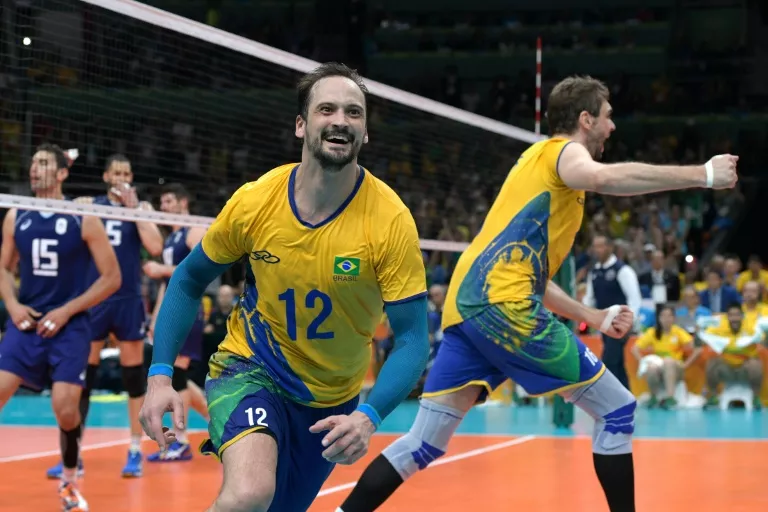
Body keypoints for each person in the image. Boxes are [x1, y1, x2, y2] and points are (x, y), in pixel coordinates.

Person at [336, 75, 738, 512]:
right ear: (585, 120)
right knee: (618, 411)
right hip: (503, 307)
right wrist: (703, 174)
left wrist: (594, 316)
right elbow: (602, 177)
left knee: (423, 442)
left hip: (470, 306)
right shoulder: (564, 154)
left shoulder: (539, 171)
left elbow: (532, 278)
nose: (613, 127)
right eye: (608, 117)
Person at [138, 62, 431, 512]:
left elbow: (412, 338)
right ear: (301, 125)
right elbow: (188, 278)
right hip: (252, 366)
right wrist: (159, 377)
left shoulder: (390, 221)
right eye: (326, 109)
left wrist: (369, 418)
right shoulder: (257, 201)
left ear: (366, 132)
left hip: (330, 401)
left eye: (354, 113)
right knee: (250, 493)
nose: (340, 120)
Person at [0, 143, 121, 510]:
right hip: (26, 322)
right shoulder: (16, 214)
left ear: (62, 173)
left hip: (70, 327)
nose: (34, 169)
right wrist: (13, 304)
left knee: (65, 408)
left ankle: (69, 482)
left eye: (43, 163)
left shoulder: (83, 218)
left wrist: (67, 311)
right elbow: (4, 269)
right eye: (32, 162)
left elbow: (112, 278)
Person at [45, 154, 164, 480]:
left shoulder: (139, 208)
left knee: (132, 379)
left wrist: (134, 207)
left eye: (127, 172)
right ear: (106, 176)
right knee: (84, 380)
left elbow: (155, 246)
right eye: (116, 172)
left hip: (127, 303)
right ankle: (74, 455)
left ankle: (135, 450)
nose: (121, 177)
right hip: (94, 301)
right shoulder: (90, 205)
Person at [141, 183, 209, 462]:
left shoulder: (194, 230)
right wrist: (156, 318)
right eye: (163, 202)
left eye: (169, 201)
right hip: (172, 310)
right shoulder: (171, 238)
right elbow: (166, 285)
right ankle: (217, 423)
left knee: (177, 373)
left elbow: (202, 267)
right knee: (179, 373)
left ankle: (182, 441)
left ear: (183, 203)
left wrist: (161, 269)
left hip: (189, 310)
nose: (165, 206)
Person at [583, 235, 642, 390]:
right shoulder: (594, 272)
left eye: (601, 246)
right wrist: (585, 317)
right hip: (603, 325)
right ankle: (626, 396)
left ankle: (610, 399)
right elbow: (589, 298)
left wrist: (629, 322)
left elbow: (634, 299)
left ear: (610, 248)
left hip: (619, 324)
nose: (597, 250)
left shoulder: (622, 270)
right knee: (617, 362)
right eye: (595, 247)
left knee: (609, 361)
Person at [632, 304, 700, 409]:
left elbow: (697, 349)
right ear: (659, 318)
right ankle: (653, 397)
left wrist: (685, 365)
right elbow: (634, 349)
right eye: (663, 316)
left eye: (669, 316)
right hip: (660, 368)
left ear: (674, 318)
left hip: (676, 369)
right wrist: (643, 363)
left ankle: (670, 398)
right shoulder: (653, 332)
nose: (666, 319)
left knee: (668, 361)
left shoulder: (678, 332)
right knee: (651, 368)